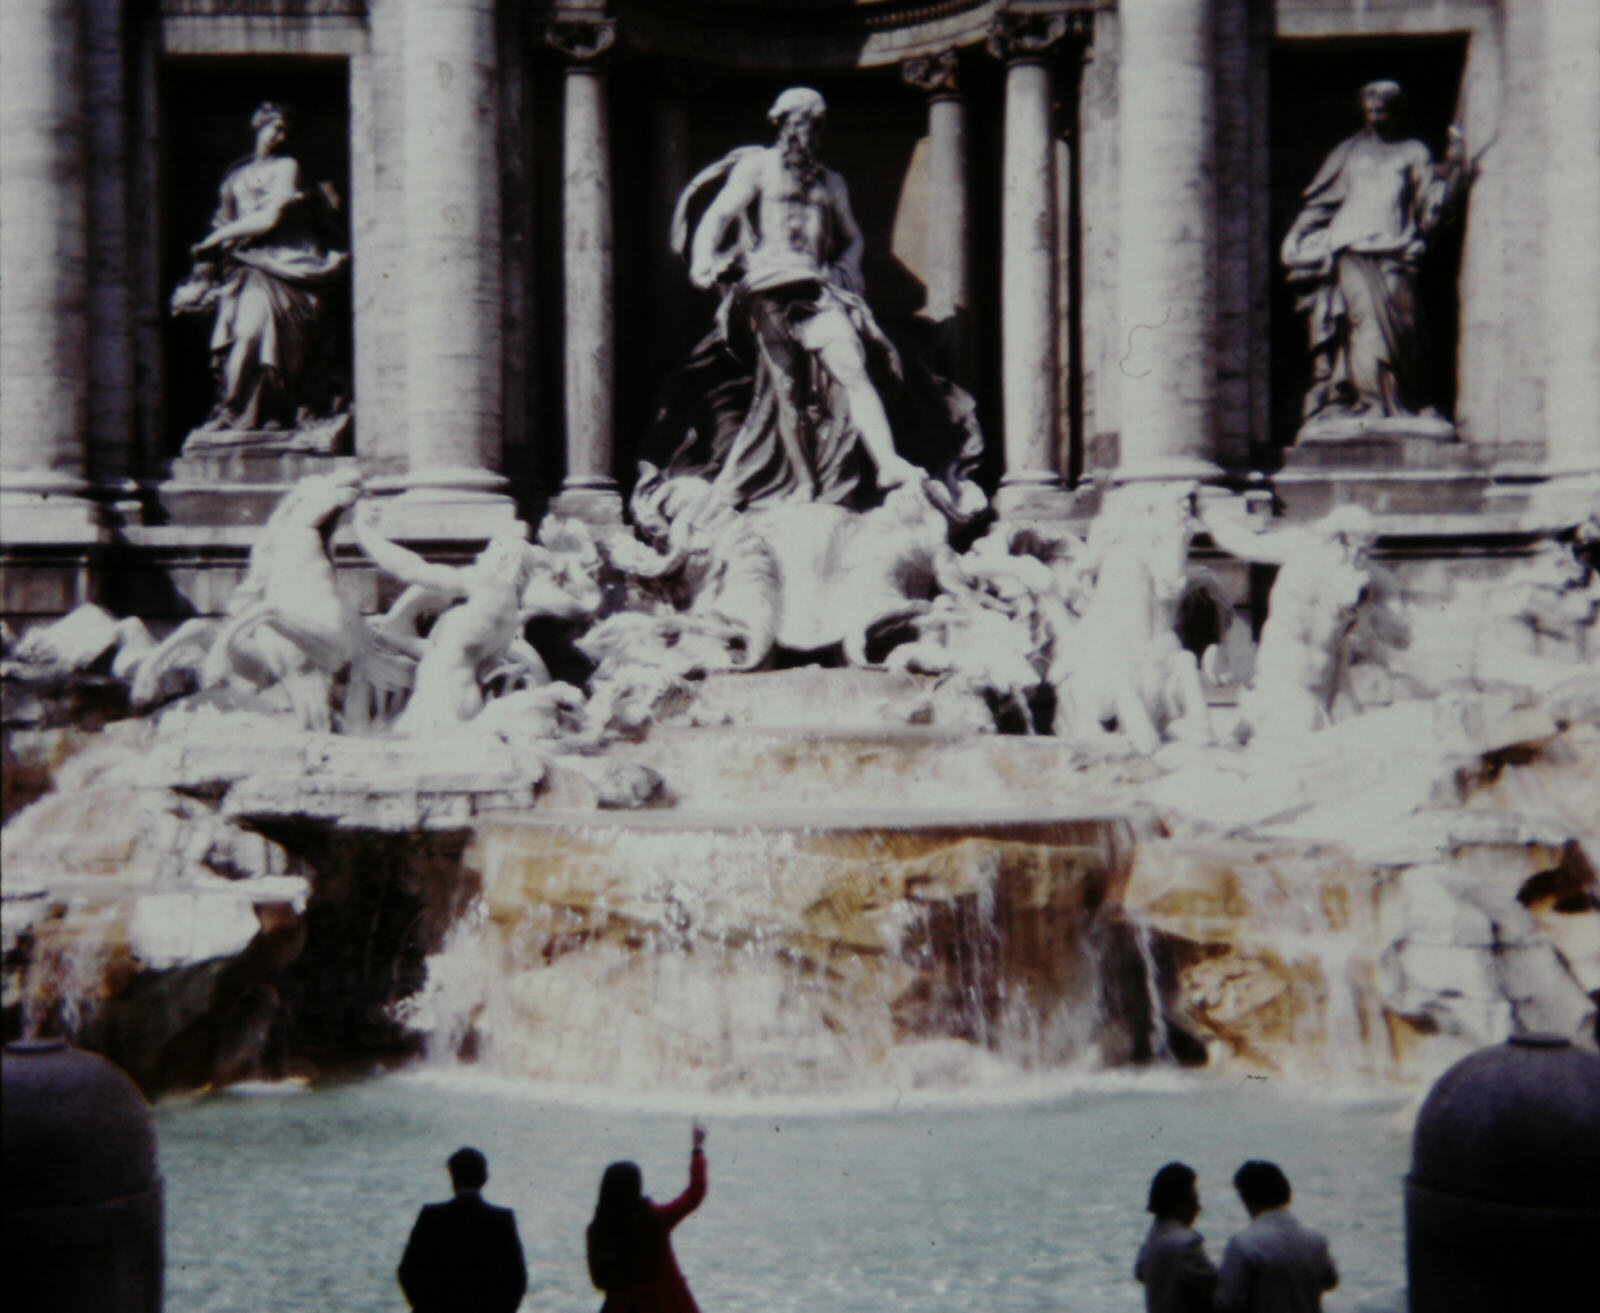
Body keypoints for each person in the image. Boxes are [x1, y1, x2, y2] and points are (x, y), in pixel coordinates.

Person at [1281, 80, 1467, 427]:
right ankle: (1369, 403)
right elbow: (1322, 201)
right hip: (1350, 248)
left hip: (1397, 250)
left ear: (1396, 111)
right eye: (1371, 110)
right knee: (1364, 325)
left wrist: (1452, 172)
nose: (1377, 116)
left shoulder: (1414, 151)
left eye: (1383, 110)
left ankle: (1405, 401)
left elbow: (1429, 202)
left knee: (1407, 326)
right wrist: (1297, 233)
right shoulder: (1348, 152)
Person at [172, 101, 348, 432]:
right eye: (275, 127)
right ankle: (234, 412)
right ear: (259, 126)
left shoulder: (287, 167)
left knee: (261, 337)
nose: (279, 136)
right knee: (247, 335)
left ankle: (258, 414)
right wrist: (204, 274)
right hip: (244, 269)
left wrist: (216, 238)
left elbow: (269, 218)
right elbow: (223, 228)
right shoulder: (234, 178)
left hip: (285, 265)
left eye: (285, 131)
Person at [1200, 501, 1409, 741]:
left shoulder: (1373, 579)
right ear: (1336, 538)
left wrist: (1370, 606)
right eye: (1351, 546)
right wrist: (1208, 513)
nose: (1357, 557)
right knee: (1300, 730)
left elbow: (1402, 639)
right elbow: (1246, 544)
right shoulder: (1300, 548)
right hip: (1283, 676)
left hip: (1330, 686)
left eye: (1365, 550)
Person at [587, 1122, 708, 1313]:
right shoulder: (653, 1220)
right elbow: (694, 1195)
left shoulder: (597, 1231)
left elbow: (599, 1282)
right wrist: (697, 1150)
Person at [398, 1146, 527, 1313]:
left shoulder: (431, 1217)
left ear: (452, 1177)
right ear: (485, 1178)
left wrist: (423, 1307)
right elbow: (517, 1279)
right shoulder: (502, 1220)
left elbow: (408, 1272)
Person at [1215, 1161, 1338, 1313]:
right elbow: (1330, 1281)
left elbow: (1228, 1301)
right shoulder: (1316, 1240)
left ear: (1245, 1198)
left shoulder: (1243, 1243)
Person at [1135, 1161, 1219, 1313]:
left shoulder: (1153, 1238)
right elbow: (1216, 1286)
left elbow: (1140, 1272)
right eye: (1193, 1200)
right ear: (1178, 1203)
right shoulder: (1186, 1244)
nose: (1198, 1208)